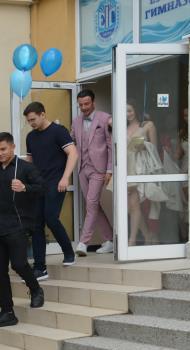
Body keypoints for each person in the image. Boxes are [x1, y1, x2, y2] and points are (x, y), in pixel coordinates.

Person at [0, 133, 44, 328]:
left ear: (13, 147)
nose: (0, 153)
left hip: (17, 225)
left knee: (19, 264)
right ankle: (7, 312)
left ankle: (35, 289)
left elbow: (42, 188)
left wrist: (25, 187)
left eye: (3, 149)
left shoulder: (25, 168)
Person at [24, 101, 79, 278]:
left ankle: (68, 252)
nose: (31, 123)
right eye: (28, 121)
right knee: (36, 224)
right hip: (38, 185)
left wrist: (65, 177)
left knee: (51, 218)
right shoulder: (30, 137)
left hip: (56, 182)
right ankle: (40, 267)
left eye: (33, 119)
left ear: (43, 114)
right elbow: (30, 161)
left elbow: (73, 153)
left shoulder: (58, 131)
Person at [71, 89, 114, 256]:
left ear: (93, 102)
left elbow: (111, 146)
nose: (84, 107)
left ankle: (83, 242)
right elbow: (72, 140)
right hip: (82, 168)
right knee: (93, 204)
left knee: (91, 202)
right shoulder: (76, 121)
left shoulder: (105, 118)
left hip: (99, 168)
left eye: (87, 104)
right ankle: (110, 240)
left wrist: (109, 169)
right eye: (81, 105)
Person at [126, 99, 163, 246]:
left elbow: (154, 149)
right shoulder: (122, 127)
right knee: (130, 207)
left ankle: (132, 241)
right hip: (127, 168)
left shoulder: (148, 125)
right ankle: (146, 235)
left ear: (136, 110)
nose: (127, 114)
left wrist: (144, 146)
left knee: (134, 204)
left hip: (141, 169)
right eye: (124, 111)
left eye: (130, 110)